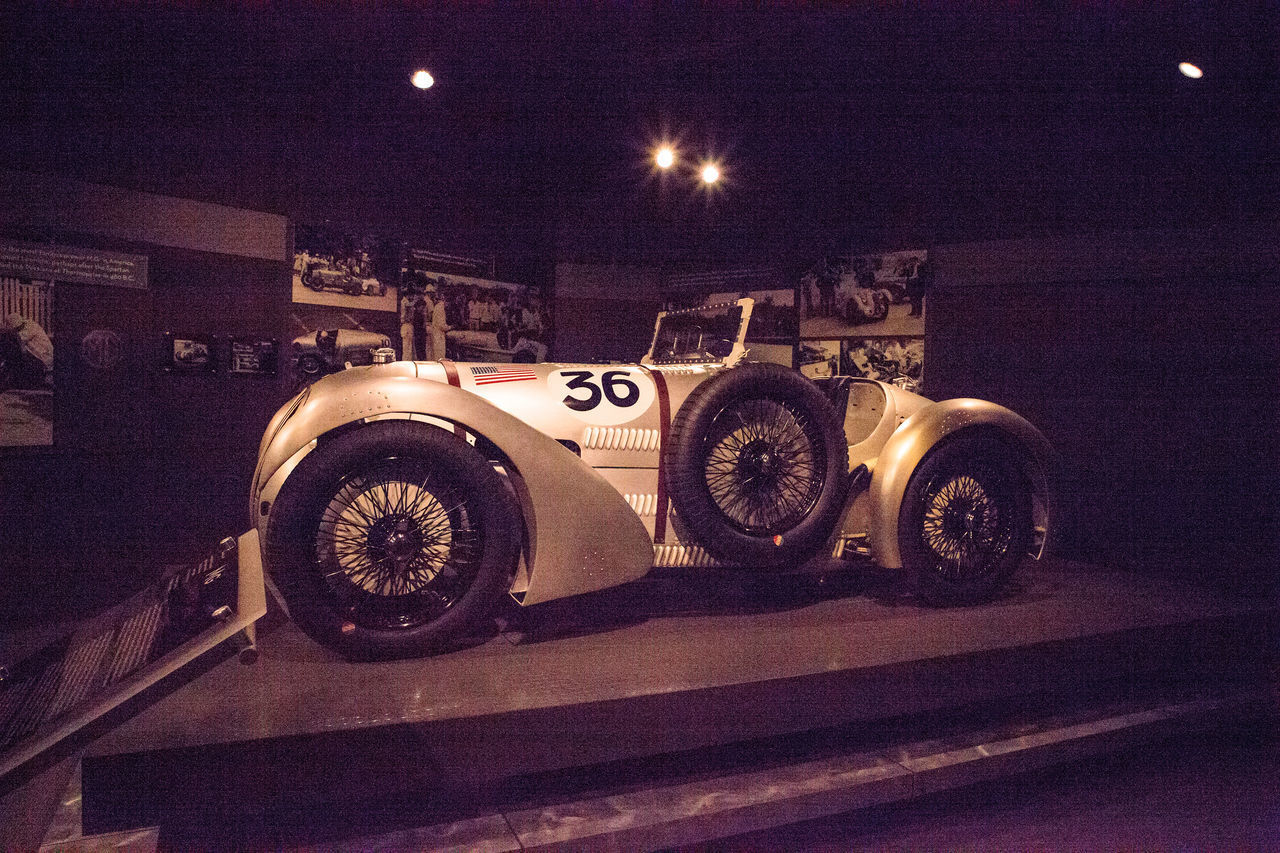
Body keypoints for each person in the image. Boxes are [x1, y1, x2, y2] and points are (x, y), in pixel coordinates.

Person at [0, 313, 53, 389]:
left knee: (13, 352)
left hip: (42, 359)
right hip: (37, 357)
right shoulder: (26, 324)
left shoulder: (30, 327)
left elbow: (17, 339)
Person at [422, 286, 451, 361]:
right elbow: (442, 325)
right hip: (437, 334)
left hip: (433, 331)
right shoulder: (440, 307)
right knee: (439, 356)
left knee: (431, 353)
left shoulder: (437, 306)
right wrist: (450, 327)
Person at [399, 294, 417, 361]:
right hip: (407, 325)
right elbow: (408, 308)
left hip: (406, 326)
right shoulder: (405, 302)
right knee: (407, 349)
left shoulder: (405, 302)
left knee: (408, 348)